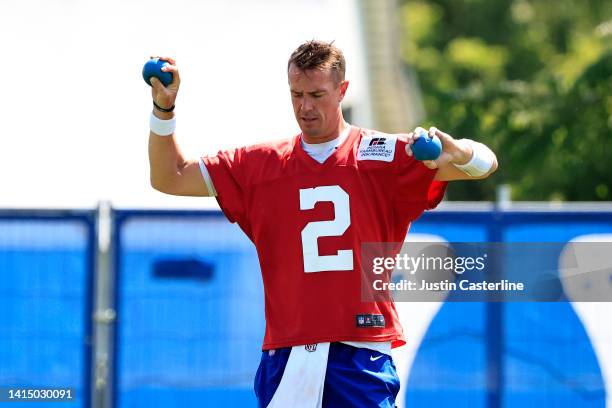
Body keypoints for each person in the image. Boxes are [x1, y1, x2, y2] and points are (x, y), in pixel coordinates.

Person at [147, 40, 497, 408]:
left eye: (316, 94)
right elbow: (168, 178)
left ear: (342, 91)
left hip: (360, 351)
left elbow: (486, 164)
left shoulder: (386, 155)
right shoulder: (260, 164)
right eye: (296, 94)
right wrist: (163, 108)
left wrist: (459, 150)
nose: (304, 106)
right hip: (287, 354)